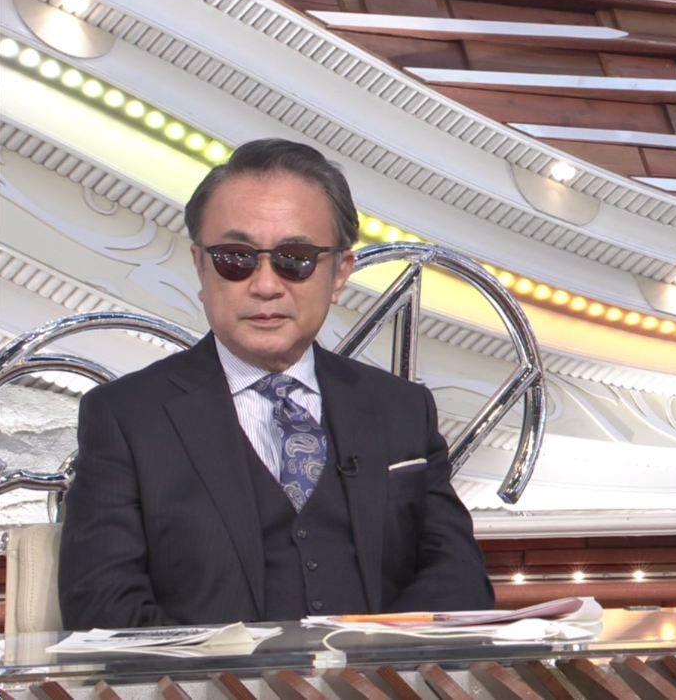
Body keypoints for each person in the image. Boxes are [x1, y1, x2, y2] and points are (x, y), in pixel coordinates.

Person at [59, 139, 494, 628]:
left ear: (340, 273)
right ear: (201, 266)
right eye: (235, 258)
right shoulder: (125, 417)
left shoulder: (402, 409)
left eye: (295, 258)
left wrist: (381, 657)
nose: (266, 285)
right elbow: (102, 609)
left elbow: (459, 580)